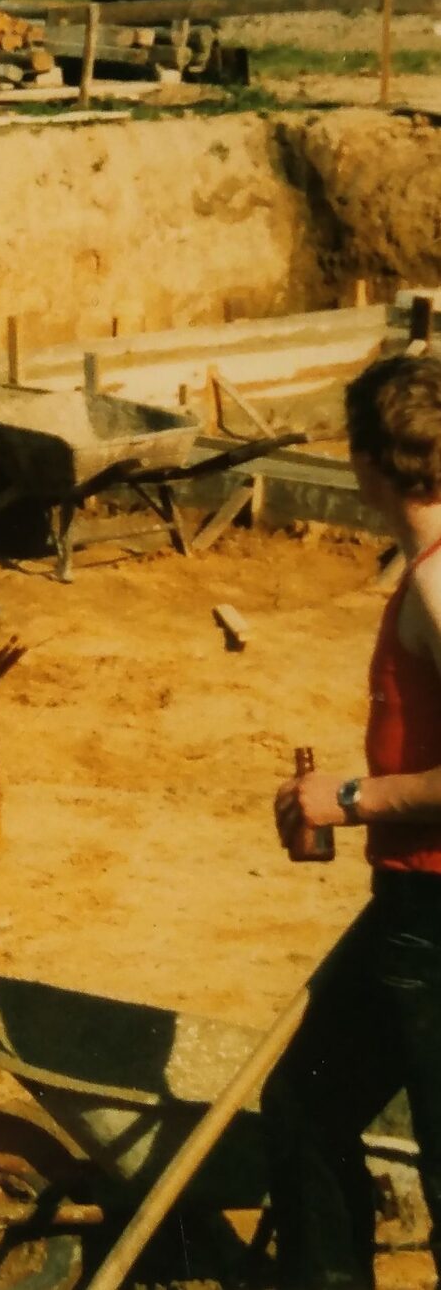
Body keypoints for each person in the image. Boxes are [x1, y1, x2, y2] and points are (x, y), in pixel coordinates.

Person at [265, 352, 441, 1290]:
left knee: (308, 1110)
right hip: (410, 906)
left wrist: (353, 798)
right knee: (302, 1107)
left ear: (367, 462)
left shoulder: (435, 585)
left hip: (434, 914)